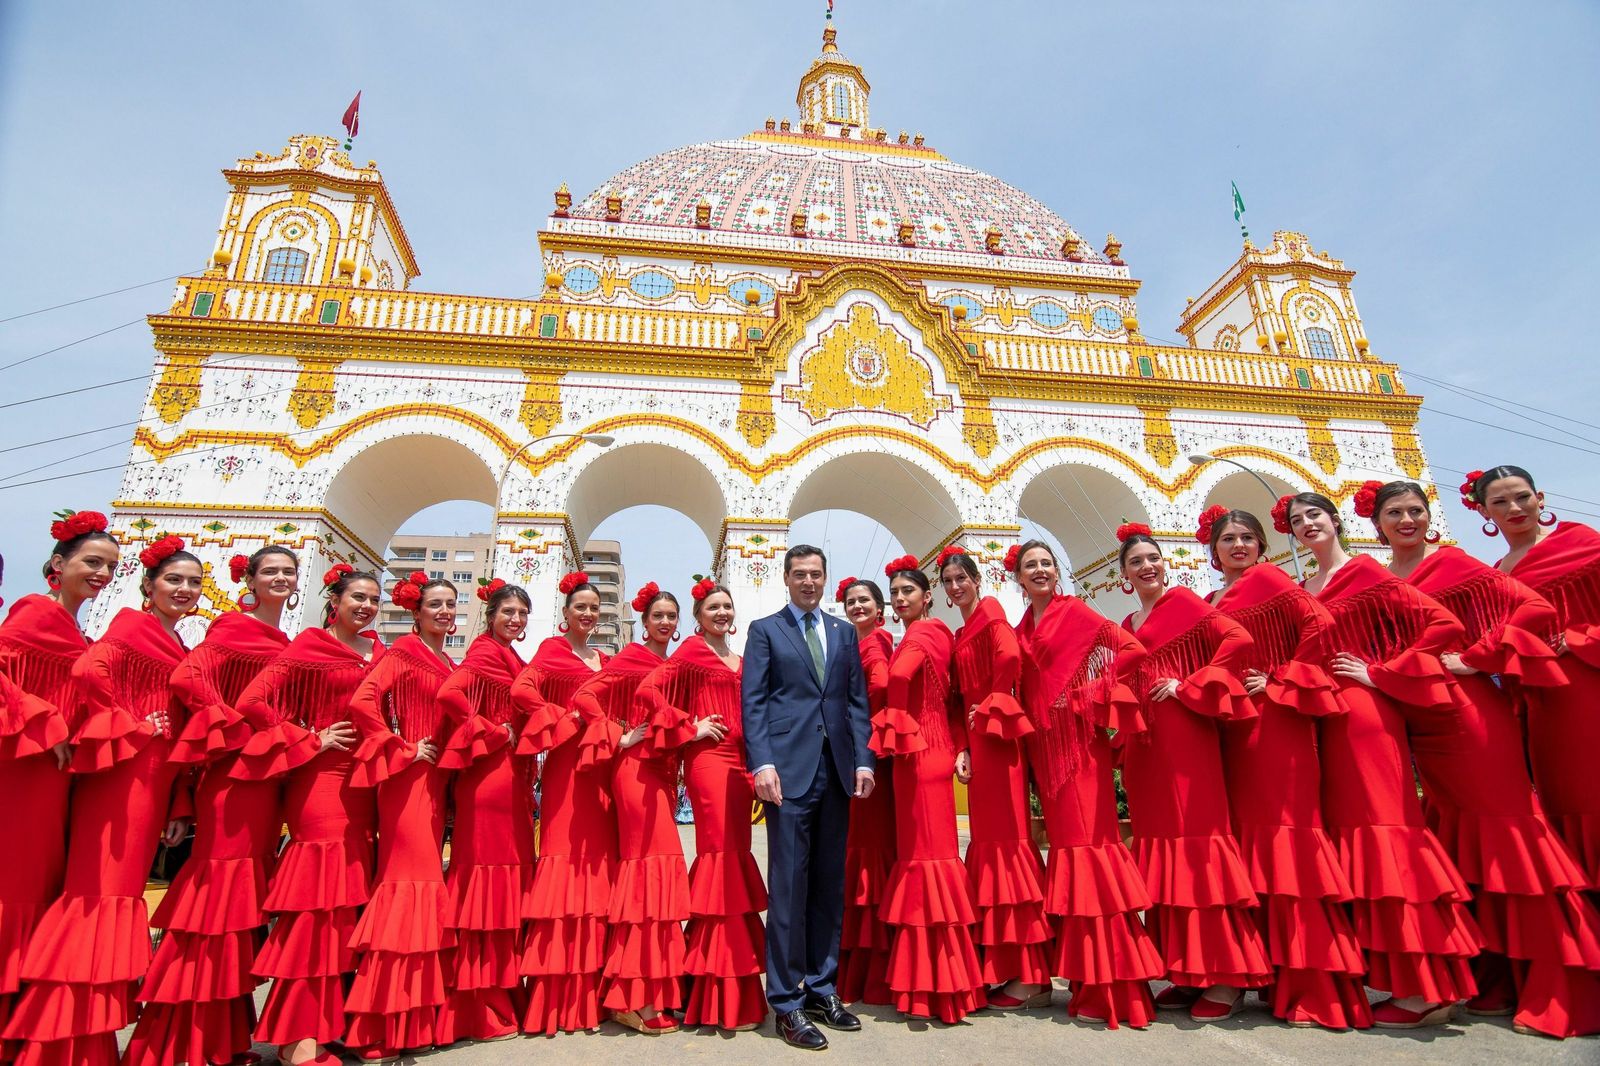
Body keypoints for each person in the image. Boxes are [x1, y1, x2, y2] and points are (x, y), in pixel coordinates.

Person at [1376, 480, 1600, 1038]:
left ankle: (1568, 991)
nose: (1407, 520)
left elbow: (1532, 607)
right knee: (1471, 855)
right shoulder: (1384, 580)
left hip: (1471, 717)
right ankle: (1497, 981)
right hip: (1422, 728)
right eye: (1394, 513)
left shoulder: (1451, 562)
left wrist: (1477, 659)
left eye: (1415, 511)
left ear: (1431, 516)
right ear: (1376, 524)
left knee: (1514, 848)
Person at [1288, 490, 1481, 1028]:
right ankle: (1401, 978)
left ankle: (1427, 989)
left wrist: (1381, 672)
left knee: (1387, 831)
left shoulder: (1366, 572)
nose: (1307, 525)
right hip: (1322, 719)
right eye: (1297, 521)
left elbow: (1442, 624)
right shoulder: (1304, 587)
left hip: (1365, 712)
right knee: (1357, 839)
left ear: (1336, 522)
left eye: (1315, 516)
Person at [3, 535, 199, 1066]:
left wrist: (178, 798)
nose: (101, 573)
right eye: (93, 562)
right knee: (93, 894)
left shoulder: (110, 633)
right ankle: (59, 1046)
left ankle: (65, 1038)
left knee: (78, 890)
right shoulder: (61, 617)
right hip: (65, 771)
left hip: (95, 775)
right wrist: (116, 723)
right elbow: (88, 676)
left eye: (194, 583)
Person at [126, 546, 300, 1066]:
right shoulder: (231, 628)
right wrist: (237, 727)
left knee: (239, 905)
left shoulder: (284, 640)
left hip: (267, 782)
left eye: (289, 571)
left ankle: (221, 1039)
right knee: (217, 899)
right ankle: (177, 1041)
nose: (281, 578)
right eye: (270, 570)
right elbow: (188, 681)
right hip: (233, 778)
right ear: (249, 577)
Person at [1200, 509, 1368, 1029]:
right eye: (1228, 539)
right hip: (1231, 733)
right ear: (1213, 548)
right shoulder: (1211, 600)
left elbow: (1321, 622)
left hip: (1275, 725)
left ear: (1262, 545)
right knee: (1250, 852)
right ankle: (1255, 974)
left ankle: (1314, 985)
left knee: (1288, 846)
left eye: (1248, 537)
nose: (1239, 545)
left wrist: (1279, 677)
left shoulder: (1271, 580)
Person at [1113, 524, 1271, 1022]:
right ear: (1122, 575)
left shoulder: (1184, 602)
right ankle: (1187, 970)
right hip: (1146, 747)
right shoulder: (1128, 620)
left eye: (1152, 558)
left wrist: (1190, 684)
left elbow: (1237, 638)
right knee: (1164, 851)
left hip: (1185, 738)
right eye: (1135, 562)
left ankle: (1227, 977)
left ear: (1166, 563)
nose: (1146, 567)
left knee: (1199, 844)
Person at [1008, 540, 1162, 1029]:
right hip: (1045, 756)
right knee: (1069, 858)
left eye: (1046, 564)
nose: (1039, 571)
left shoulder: (1074, 612)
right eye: (1029, 566)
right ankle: (1084, 977)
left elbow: (1132, 650)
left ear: (1058, 571)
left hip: (1080, 752)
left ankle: (1113, 986)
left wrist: (1092, 692)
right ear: (1017, 576)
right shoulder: (1024, 626)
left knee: (1089, 853)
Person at [238, 564, 383, 1066]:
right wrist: (308, 739)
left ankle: (325, 1025)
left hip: (366, 788)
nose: (366, 606)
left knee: (344, 910)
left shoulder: (379, 652)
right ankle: (297, 1037)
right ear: (335, 600)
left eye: (373, 599)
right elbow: (253, 700)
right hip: (320, 784)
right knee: (315, 909)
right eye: (357, 597)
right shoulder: (308, 646)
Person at [741, 545, 873, 1050]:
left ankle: (822, 988)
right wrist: (764, 764)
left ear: (825, 578)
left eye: (816, 574)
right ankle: (786, 1002)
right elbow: (753, 701)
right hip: (788, 775)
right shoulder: (766, 630)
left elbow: (855, 702)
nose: (809, 582)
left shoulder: (842, 632)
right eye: (800, 575)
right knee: (790, 890)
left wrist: (863, 760)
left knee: (827, 887)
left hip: (837, 771)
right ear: (786, 579)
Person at [0, 511, 115, 1056]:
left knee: (39, 888)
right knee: (15, 889)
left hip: (54, 778)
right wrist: (44, 723)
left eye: (111, 566)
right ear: (57, 564)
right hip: (21, 769)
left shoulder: (76, 628)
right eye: (92, 562)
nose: (102, 574)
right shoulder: (33, 612)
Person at [636, 579, 766, 1032]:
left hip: (743, 762)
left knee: (737, 855)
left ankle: (731, 980)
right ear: (698, 615)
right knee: (721, 857)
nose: (722, 613)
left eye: (727, 606)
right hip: (709, 761)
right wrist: (689, 727)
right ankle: (715, 987)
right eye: (713, 607)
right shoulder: (690, 650)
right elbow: (649, 691)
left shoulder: (741, 656)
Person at [578, 584, 704, 1035]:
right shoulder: (630, 658)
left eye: (672, 616)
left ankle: (649, 992)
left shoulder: (677, 666)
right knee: (648, 877)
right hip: (634, 773)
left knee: (656, 881)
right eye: (658, 616)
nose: (665, 623)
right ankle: (632, 998)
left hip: (665, 778)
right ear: (644, 620)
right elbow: (585, 697)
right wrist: (619, 735)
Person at [344, 573, 458, 1061]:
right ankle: (377, 1025)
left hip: (433, 784)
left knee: (421, 886)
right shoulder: (402, 652)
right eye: (436, 604)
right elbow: (362, 701)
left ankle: (408, 1019)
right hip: (407, 778)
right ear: (416, 611)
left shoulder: (447, 660)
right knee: (405, 885)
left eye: (451, 605)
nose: (445, 612)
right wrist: (400, 747)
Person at [872, 555, 987, 1024]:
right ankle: (944, 982)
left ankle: (934, 985)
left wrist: (893, 723)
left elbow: (898, 678)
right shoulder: (938, 633)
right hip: (930, 749)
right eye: (895, 593)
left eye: (908, 592)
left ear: (926, 596)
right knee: (930, 859)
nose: (900, 599)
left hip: (918, 754)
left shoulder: (922, 633)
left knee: (925, 861)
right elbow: (954, 699)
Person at [1473, 466, 1600, 890]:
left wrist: (1582, 637)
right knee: (1565, 797)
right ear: (1484, 512)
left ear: (1540, 498)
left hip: (1588, 683)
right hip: (1539, 703)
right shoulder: (1497, 572)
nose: (1514, 508)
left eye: (1522, 497)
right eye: (1500, 502)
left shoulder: (1582, 542)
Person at [938, 546, 1051, 1009]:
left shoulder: (990, 612)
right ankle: (1005, 965)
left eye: (962, 577)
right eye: (948, 580)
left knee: (1009, 844)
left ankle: (1032, 976)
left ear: (977, 579)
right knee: (989, 842)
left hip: (999, 737)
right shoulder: (963, 629)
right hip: (978, 741)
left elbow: (1008, 658)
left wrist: (994, 701)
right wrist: (964, 744)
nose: (956, 585)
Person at [435, 580, 535, 1044]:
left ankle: (498, 996)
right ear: (491, 614)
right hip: (489, 777)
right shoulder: (482, 653)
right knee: (486, 881)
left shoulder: (511, 657)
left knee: (507, 879)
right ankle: (476, 1009)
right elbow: (450, 695)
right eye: (508, 612)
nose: (515, 619)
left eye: (522, 613)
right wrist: (492, 732)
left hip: (512, 779)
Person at [514, 571, 615, 1034]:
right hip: (566, 767)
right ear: (565, 613)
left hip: (604, 773)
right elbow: (521, 691)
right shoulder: (550, 652)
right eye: (581, 607)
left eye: (595, 607)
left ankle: (596, 988)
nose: (589, 614)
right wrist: (562, 717)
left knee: (598, 866)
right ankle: (558, 998)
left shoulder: (606, 657)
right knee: (565, 861)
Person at [834, 577, 896, 1006]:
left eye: (864, 601)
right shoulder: (851, 645)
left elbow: (880, 688)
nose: (857, 607)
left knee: (871, 853)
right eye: (851, 602)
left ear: (880, 607)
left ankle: (874, 970)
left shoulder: (877, 645)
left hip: (871, 758)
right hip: (856, 756)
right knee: (857, 851)